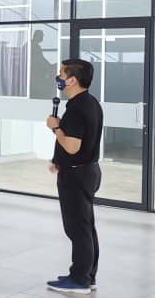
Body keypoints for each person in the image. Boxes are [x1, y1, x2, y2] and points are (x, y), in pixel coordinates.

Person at [45, 59, 103, 295]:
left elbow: (71, 146)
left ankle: (79, 281)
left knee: (77, 229)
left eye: (61, 73)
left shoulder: (77, 108)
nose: (58, 77)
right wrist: (59, 161)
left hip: (77, 176)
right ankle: (87, 276)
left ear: (72, 80)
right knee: (86, 227)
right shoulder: (90, 102)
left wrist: (55, 127)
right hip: (86, 171)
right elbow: (79, 143)